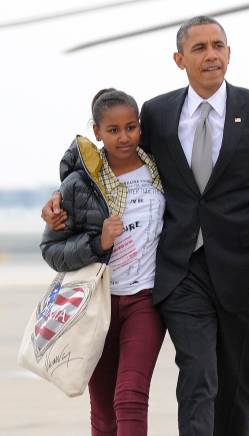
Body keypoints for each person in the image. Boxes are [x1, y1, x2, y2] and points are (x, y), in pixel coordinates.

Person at [43, 16, 249, 436]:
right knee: (197, 373)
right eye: (199, 48)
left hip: (247, 272)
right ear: (180, 59)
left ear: (230, 54)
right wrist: (61, 196)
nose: (211, 54)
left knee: (237, 384)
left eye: (218, 45)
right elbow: (112, 162)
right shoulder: (157, 114)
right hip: (181, 271)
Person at [40, 88, 166, 435]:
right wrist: (99, 242)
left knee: (130, 397)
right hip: (97, 304)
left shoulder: (160, 168)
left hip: (145, 300)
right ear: (96, 131)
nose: (124, 137)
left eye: (131, 127)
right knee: (104, 413)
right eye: (113, 130)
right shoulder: (79, 185)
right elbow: (52, 249)